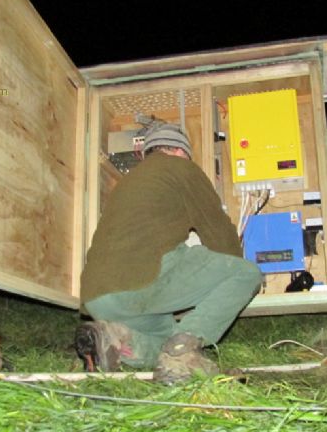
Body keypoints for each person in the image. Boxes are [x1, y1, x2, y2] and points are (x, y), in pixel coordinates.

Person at [78, 123, 262, 384]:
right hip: (142, 280)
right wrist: (226, 288)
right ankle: (184, 352)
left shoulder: (126, 183)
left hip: (98, 298)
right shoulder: (181, 168)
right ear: (180, 152)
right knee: (246, 273)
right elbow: (219, 233)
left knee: (167, 340)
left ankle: (114, 339)